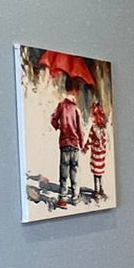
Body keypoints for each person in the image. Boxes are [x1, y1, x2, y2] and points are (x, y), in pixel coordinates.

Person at [50, 77, 84, 206]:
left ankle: (63, 198)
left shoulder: (61, 106)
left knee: (64, 171)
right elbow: (80, 129)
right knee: (74, 170)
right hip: (74, 145)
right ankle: (75, 196)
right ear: (76, 91)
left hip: (64, 144)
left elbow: (53, 119)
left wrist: (59, 127)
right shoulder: (76, 109)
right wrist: (82, 143)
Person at [85, 100, 109, 200]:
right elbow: (105, 140)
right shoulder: (103, 128)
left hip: (95, 153)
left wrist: (85, 147)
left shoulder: (93, 128)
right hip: (101, 153)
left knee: (96, 173)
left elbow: (90, 140)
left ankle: (96, 190)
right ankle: (101, 189)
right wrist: (102, 146)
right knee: (100, 173)